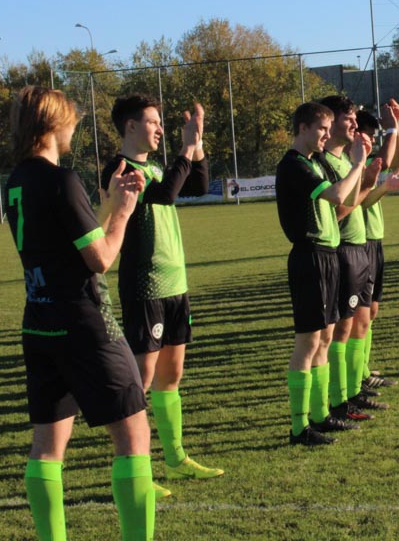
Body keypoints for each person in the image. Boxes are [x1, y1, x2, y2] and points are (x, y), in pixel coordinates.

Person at [6, 86, 154, 540]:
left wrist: (106, 204)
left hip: (40, 324)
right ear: (54, 123)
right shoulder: (62, 179)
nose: (74, 127)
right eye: (71, 119)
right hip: (86, 326)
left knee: (47, 447)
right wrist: (123, 212)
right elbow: (101, 257)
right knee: (134, 438)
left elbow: (68, 243)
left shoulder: (16, 180)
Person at [102, 95, 222, 497]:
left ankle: (175, 459)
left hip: (175, 284)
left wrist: (197, 144)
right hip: (145, 286)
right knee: (141, 379)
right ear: (131, 126)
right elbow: (165, 194)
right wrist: (186, 149)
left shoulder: (153, 167)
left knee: (171, 376)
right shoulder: (120, 169)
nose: (159, 129)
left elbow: (198, 185)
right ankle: (137, 470)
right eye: (153, 122)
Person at [275, 102, 369, 445]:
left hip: (328, 255)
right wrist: (358, 165)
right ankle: (298, 427)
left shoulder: (315, 162)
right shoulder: (294, 164)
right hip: (309, 257)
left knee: (325, 338)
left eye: (330, 129)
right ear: (303, 128)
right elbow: (336, 194)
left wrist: (360, 169)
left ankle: (320, 415)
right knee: (308, 341)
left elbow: (347, 201)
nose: (327, 136)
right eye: (322, 129)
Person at [318, 95, 386, 421]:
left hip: (360, 248)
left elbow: (356, 201)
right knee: (341, 330)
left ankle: (353, 390)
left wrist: (369, 181)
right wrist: (362, 171)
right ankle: (339, 399)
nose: (355, 125)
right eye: (349, 119)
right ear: (330, 122)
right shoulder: (324, 163)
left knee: (359, 323)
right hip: (342, 250)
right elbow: (337, 213)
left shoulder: (345, 160)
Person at [355, 102, 399, 393]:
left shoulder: (368, 158)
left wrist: (396, 127)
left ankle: (362, 368)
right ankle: (358, 376)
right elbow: (364, 200)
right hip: (360, 240)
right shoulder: (357, 162)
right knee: (360, 315)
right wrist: (383, 188)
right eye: (368, 134)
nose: (371, 141)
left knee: (372, 310)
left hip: (374, 239)